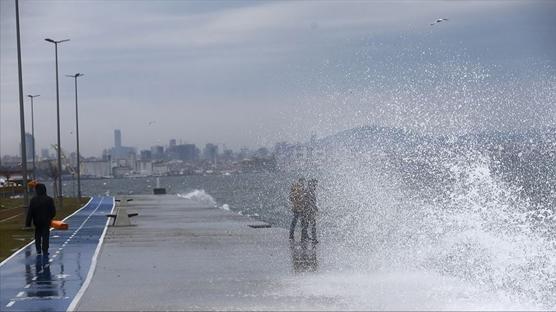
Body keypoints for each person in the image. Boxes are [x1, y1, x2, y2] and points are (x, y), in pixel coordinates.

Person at [25, 183, 56, 256]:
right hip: (46, 221)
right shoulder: (49, 199)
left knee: (37, 236)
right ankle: (45, 250)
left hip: (37, 221)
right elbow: (53, 211)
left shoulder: (33, 200)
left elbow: (30, 212)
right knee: (45, 236)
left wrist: (28, 223)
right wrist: (50, 217)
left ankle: (38, 249)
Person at [304, 179, 319, 244]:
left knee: (306, 224)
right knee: (312, 225)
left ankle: (305, 237)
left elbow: (309, 201)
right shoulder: (309, 191)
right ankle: (313, 238)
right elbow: (309, 201)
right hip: (309, 211)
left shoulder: (308, 190)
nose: (316, 185)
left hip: (308, 210)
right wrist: (314, 207)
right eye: (315, 184)